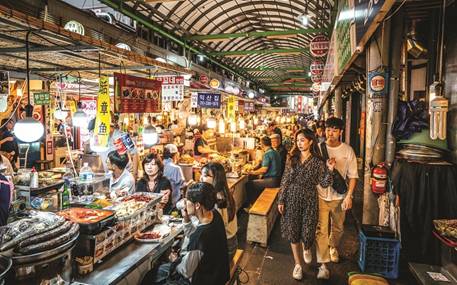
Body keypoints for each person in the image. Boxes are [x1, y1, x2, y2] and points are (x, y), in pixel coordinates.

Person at [278, 129, 335, 280]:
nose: (299, 143)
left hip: (310, 198)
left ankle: (307, 246)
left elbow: (324, 184)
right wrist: (281, 199)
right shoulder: (292, 158)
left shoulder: (318, 161)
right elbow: (285, 180)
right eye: (297, 140)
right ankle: (297, 265)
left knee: (309, 230)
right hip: (291, 198)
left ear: (310, 141)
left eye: (302, 140)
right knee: (293, 232)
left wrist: (330, 169)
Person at [150, 182, 229, 285]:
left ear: (197, 205)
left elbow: (186, 271)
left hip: (207, 279)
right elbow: (194, 236)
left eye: (186, 201)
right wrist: (186, 219)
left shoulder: (201, 236)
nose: (184, 204)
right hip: (219, 272)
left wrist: (174, 260)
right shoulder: (214, 214)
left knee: (152, 275)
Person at [315, 117, 358, 279]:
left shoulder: (348, 151)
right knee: (321, 230)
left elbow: (353, 176)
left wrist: (349, 196)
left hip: (339, 196)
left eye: (334, 130)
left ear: (340, 132)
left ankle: (333, 247)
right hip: (320, 194)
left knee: (338, 228)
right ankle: (323, 263)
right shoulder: (318, 148)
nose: (330, 133)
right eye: (328, 129)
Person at [200, 162, 238, 260]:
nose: (200, 178)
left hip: (226, 246)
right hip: (230, 241)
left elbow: (217, 228)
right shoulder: (223, 192)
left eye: (204, 176)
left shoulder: (218, 199)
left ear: (216, 179)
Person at [99, 113, 139, 179]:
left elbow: (134, 153)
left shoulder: (122, 136)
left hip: (124, 177)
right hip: (109, 177)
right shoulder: (99, 138)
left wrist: (134, 175)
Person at [246, 136, 281, 206]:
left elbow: (264, 170)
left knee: (249, 184)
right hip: (277, 179)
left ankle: (253, 205)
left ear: (262, 145)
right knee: (256, 181)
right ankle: (257, 202)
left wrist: (251, 172)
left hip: (272, 181)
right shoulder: (275, 152)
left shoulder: (267, 154)